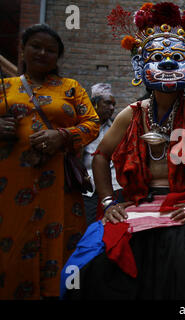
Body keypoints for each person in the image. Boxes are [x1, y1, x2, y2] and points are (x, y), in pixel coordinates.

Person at [62, 2, 185, 300]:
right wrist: (109, 201)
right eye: (157, 57)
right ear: (140, 66)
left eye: (176, 57)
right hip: (138, 201)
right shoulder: (133, 112)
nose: (166, 63)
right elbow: (100, 157)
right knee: (89, 267)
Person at [0, 24, 99, 299]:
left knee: (62, 245)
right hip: (10, 185)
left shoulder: (71, 88)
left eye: (51, 50)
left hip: (59, 186)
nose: (42, 53)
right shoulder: (4, 87)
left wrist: (63, 136)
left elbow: (93, 123)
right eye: (36, 46)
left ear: (58, 56)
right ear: (22, 49)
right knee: (12, 245)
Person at [82, 83, 123, 226]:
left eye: (113, 104)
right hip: (88, 191)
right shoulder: (82, 130)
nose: (112, 108)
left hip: (114, 189)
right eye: (107, 103)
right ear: (95, 104)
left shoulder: (115, 130)